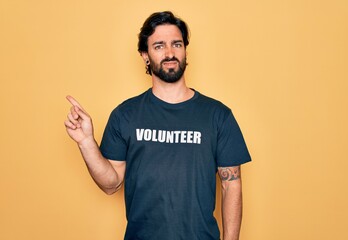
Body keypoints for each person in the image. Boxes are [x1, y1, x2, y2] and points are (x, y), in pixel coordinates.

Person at [64, 11, 251, 240]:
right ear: (145, 55)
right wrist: (85, 142)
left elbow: (231, 185)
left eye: (177, 44)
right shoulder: (125, 115)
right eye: (159, 46)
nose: (170, 53)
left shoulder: (218, 116)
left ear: (185, 50)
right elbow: (111, 184)